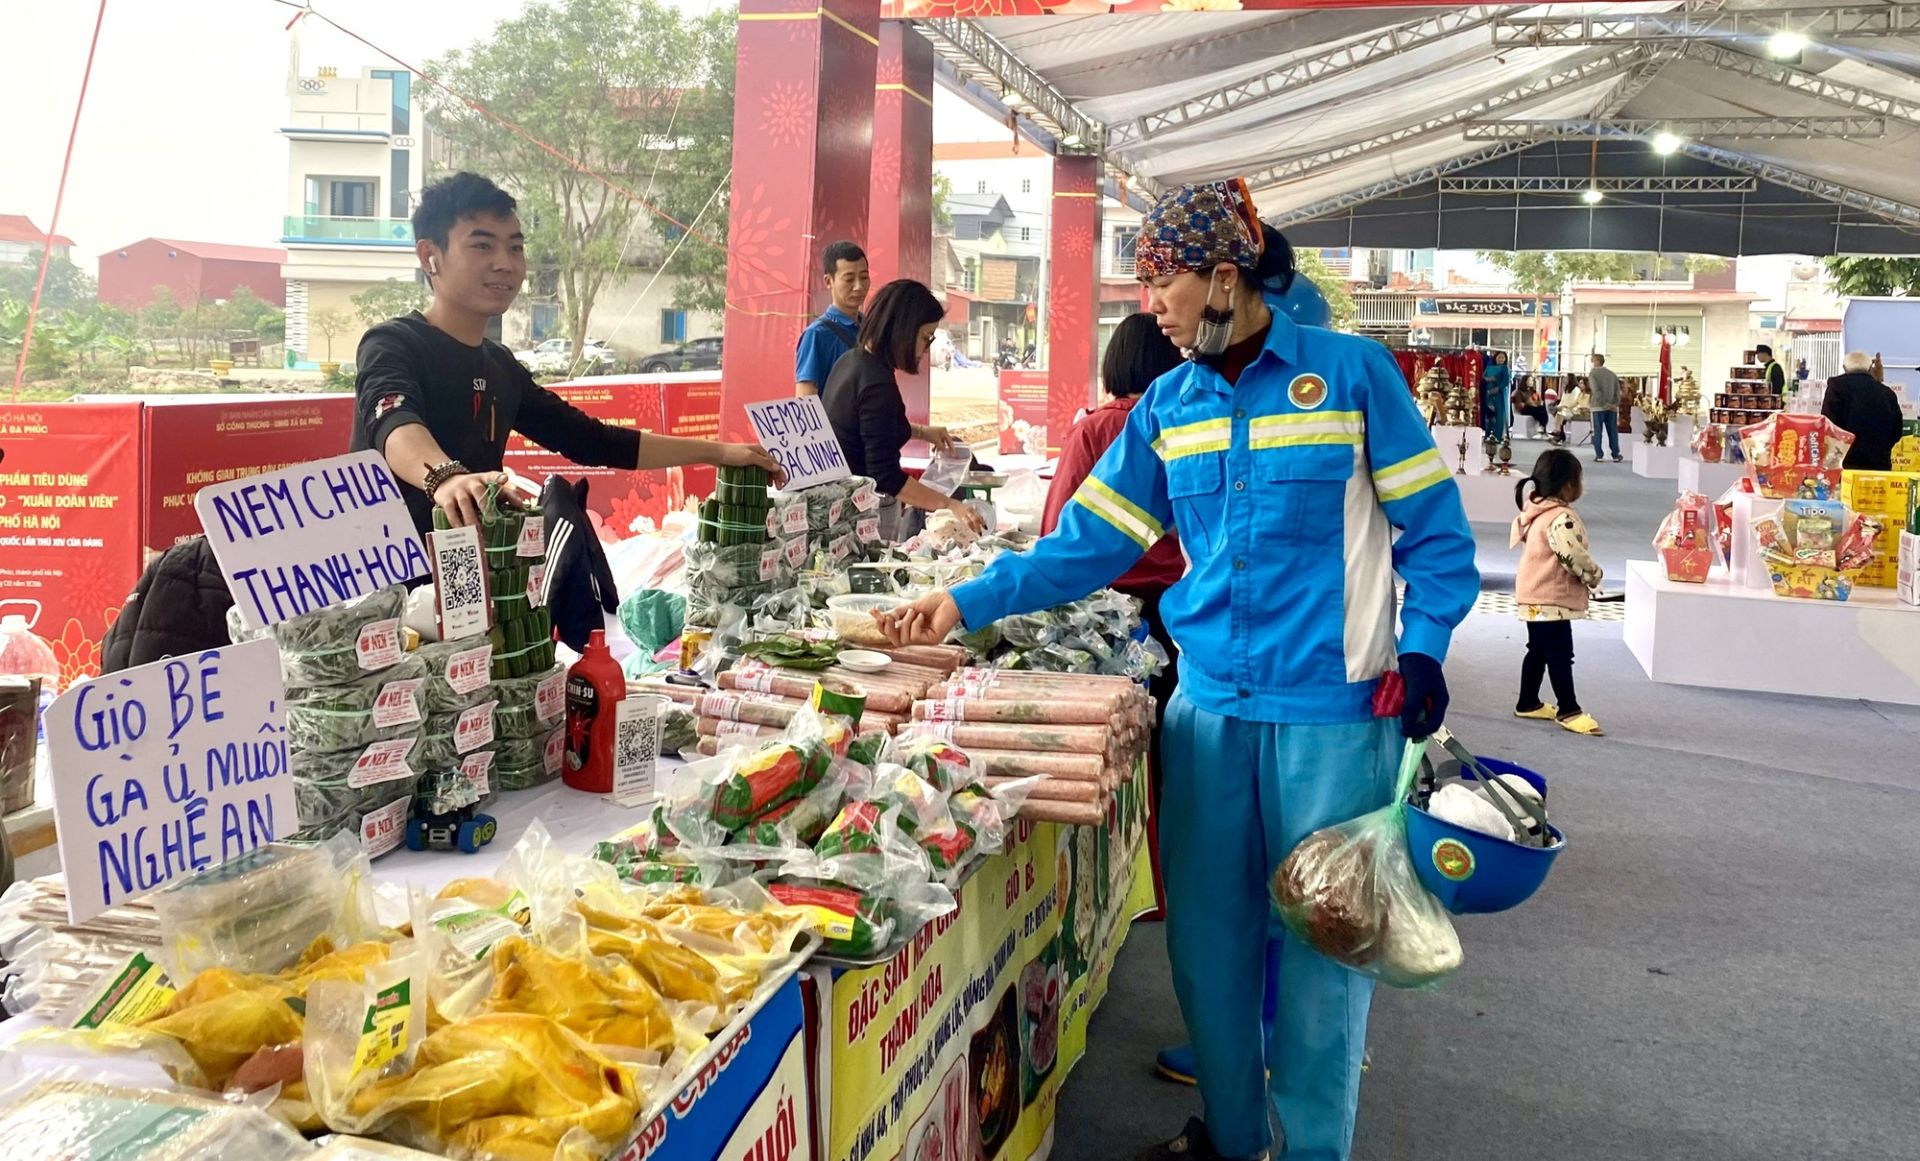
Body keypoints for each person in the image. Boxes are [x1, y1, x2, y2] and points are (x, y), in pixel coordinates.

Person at [874, 180, 1478, 1161]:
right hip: (1207, 717)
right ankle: (1235, 1141)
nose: (1150, 304)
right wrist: (965, 600)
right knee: (1205, 949)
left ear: (1225, 277)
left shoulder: (1353, 376)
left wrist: (1426, 644)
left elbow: (1438, 536)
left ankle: (1314, 1151)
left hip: (1333, 719)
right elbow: (1086, 545)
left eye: (1163, 281)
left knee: (1325, 955)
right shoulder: (1169, 405)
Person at [351, 173, 779, 534]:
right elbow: (394, 423)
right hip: (387, 587)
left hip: (471, 577)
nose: (505, 263)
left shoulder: (500, 367)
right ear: (430, 256)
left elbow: (592, 440)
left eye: (515, 247)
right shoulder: (393, 344)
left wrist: (720, 453)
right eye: (482, 246)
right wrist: (446, 478)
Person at [821, 279, 984, 541]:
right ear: (903, 330)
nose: (926, 349)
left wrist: (922, 432)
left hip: (841, 508)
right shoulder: (877, 384)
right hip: (861, 517)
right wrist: (950, 504)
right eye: (925, 338)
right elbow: (886, 477)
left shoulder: (852, 361)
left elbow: (870, 429)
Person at [1510, 449, 1604, 737]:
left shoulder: (1535, 511)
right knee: (1560, 654)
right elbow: (1571, 555)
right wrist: (1593, 575)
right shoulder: (1561, 517)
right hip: (1551, 598)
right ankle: (1569, 709)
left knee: (1538, 650)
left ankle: (1528, 702)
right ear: (1568, 485)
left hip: (1533, 593)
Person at [794, 241, 872, 397]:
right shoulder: (816, 335)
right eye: (849, 279)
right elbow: (805, 398)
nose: (859, 286)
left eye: (864, 277)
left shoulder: (871, 327)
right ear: (828, 281)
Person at [1823, 350, 1905, 471]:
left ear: (1844, 368)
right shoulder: (1887, 393)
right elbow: (1896, 430)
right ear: (1870, 368)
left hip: (1844, 462)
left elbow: (1829, 423)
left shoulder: (1837, 386)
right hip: (1879, 464)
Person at [1586, 352, 1622, 462]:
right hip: (1612, 408)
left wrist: (1604, 403)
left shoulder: (1593, 374)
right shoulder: (1612, 374)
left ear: (1596, 361)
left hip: (1598, 407)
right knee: (1613, 431)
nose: (1591, 363)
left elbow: (1596, 390)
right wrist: (1614, 404)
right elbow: (1617, 391)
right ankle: (1615, 454)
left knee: (1597, 431)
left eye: (1592, 360)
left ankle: (1599, 455)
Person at [1479, 350, 1512, 439]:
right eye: (1499, 357)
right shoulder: (1489, 367)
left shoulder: (1504, 368)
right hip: (1488, 394)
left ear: (1505, 359)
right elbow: (1483, 377)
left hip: (1499, 394)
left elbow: (1506, 381)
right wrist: (1489, 379)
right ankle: (1487, 434)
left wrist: (1497, 388)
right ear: (1495, 358)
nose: (1500, 359)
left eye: (1502, 358)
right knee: (1489, 414)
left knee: (1499, 414)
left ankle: (1498, 436)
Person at [1549, 380, 1587, 445]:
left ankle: (1558, 433)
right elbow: (1574, 403)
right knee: (1560, 412)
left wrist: (1566, 406)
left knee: (1562, 413)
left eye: (1582, 383)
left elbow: (1584, 405)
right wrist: (1563, 406)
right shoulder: (1580, 393)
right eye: (1580, 383)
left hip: (1581, 411)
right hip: (1574, 409)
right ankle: (1558, 432)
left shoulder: (1585, 394)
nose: (1580, 385)